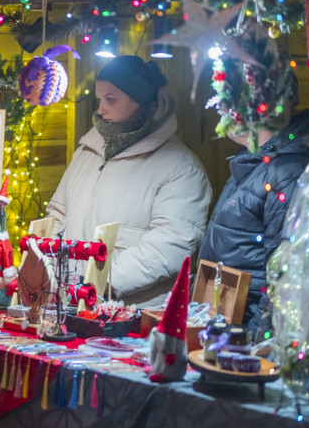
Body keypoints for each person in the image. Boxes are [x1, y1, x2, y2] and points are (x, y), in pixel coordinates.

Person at [46, 55, 211, 305]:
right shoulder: (87, 151)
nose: (101, 109)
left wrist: (97, 283)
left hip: (132, 315)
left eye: (111, 99)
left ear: (143, 102)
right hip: (71, 303)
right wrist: (50, 271)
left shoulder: (181, 168)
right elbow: (58, 214)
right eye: (99, 99)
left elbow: (170, 244)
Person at [198, 78, 309, 337]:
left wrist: (252, 344)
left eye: (228, 103)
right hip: (226, 330)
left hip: (245, 341)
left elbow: (285, 280)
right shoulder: (257, 161)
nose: (221, 111)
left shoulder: (287, 173)